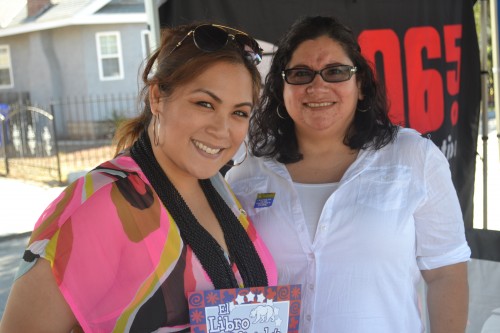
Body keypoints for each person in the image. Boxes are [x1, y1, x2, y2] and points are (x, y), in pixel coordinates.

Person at [0, 22, 277, 333]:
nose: (222, 130)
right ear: (157, 96)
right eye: (204, 104)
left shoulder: (218, 188)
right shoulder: (98, 205)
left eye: (239, 112)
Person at [226, 16, 470, 333]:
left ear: (361, 86)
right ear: (281, 90)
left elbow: (445, 273)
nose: (318, 86)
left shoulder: (414, 157)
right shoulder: (245, 173)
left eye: (336, 72)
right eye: (300, 74)